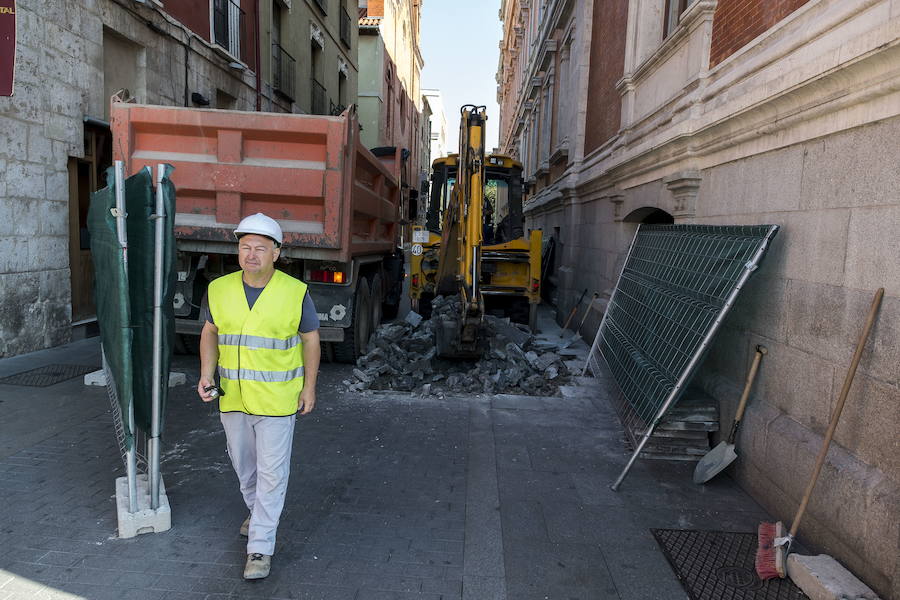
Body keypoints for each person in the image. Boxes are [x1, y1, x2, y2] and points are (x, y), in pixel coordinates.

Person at [197, 212, 320, 580]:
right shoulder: (218, 289)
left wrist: (309, 386)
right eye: (245, 247)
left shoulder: (295, 292)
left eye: (260, 249)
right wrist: (206, 374)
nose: (251, 255)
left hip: (278, 400)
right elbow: (210, 332)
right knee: (244, 468)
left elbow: (310, 339)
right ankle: (258, 513)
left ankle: (261, 548)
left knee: (271, 474)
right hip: (232, 397)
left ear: (277, 253)